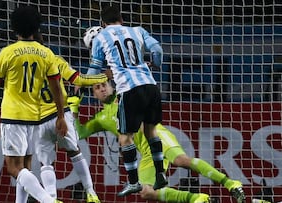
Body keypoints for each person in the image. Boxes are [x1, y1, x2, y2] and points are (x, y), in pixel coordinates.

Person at [68, 80, 246, 203]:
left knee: (180, 160)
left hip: (156, 135)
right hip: (146, 153)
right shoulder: (101, 118)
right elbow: (79, 133)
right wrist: (74, 106)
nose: (102, 89)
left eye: (104, 85)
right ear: (94, 94)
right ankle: (197, 199)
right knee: (146, 191)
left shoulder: (124, 94)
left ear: (112, 86)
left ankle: (230, 183)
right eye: (97, 88)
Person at [0, 6, 65, 203]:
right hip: (34, 116)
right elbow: (56, 88)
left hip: (13, 116)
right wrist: (61, 116)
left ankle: (48, 200)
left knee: (14, 168)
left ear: (14, 28)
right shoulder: (46, 53)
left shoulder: (8, 52)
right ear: (37, 27)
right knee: (26, 167)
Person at [86, 5, 167, 196]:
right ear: (121, 19)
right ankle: (160, 173)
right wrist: (155, 63)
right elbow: (157, 49)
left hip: (130, 89)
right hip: (151, 86)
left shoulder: (101, 37)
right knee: (151, 131)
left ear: (103, 24)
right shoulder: (137, 30)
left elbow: (94, 70)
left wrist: (80, 84)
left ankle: (133, 182)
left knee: (125, 137)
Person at [34, 54, 108, 203]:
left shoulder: (25, 66)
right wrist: (103, 76)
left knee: (46, 163)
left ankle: (51, 198)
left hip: (39, 118)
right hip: (61, 113)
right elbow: (79, 79)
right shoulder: (54, 59)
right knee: (74, 152)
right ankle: (91, 193)